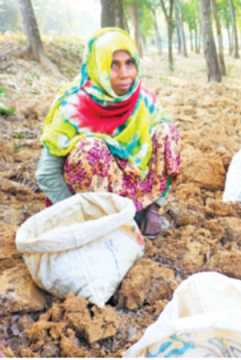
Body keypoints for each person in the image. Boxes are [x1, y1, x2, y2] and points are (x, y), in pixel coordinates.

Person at [36, 28, 180, 238]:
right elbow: (46, 174)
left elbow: (165, 152)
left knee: (167, 131)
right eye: (114, 65)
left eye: (129, 63)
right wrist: (75, 213)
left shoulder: (143, 101)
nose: (125, 73)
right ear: (98, 66)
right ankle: (106, 224)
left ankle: (146, 213)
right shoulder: (73, 108)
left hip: (133, 190)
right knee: (90, 149)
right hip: (91, 206)